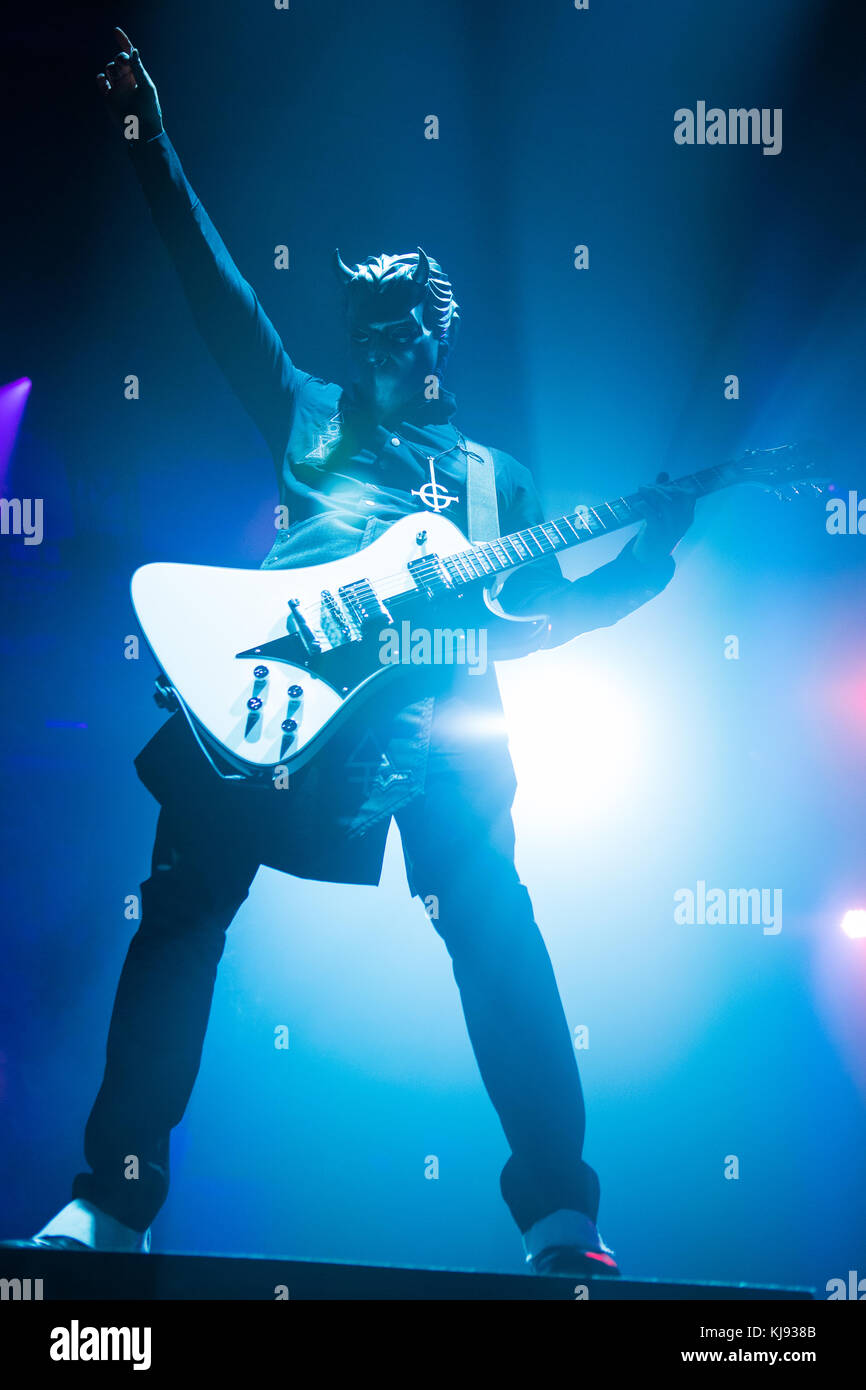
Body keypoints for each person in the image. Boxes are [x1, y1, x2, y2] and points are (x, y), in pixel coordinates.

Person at [4, 30, 695, 1277]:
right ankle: (113, 1200)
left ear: (438, 338)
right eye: (367, 330)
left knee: (493, 920)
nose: (383, 349)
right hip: (271, 684)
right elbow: (214, 290)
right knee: (179, 917)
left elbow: (533, 622)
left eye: (401, 331)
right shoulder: (310, 413)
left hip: (432, 724)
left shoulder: (495, 479)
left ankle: (560, 1216)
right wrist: (147, 138)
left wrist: (637, 571)